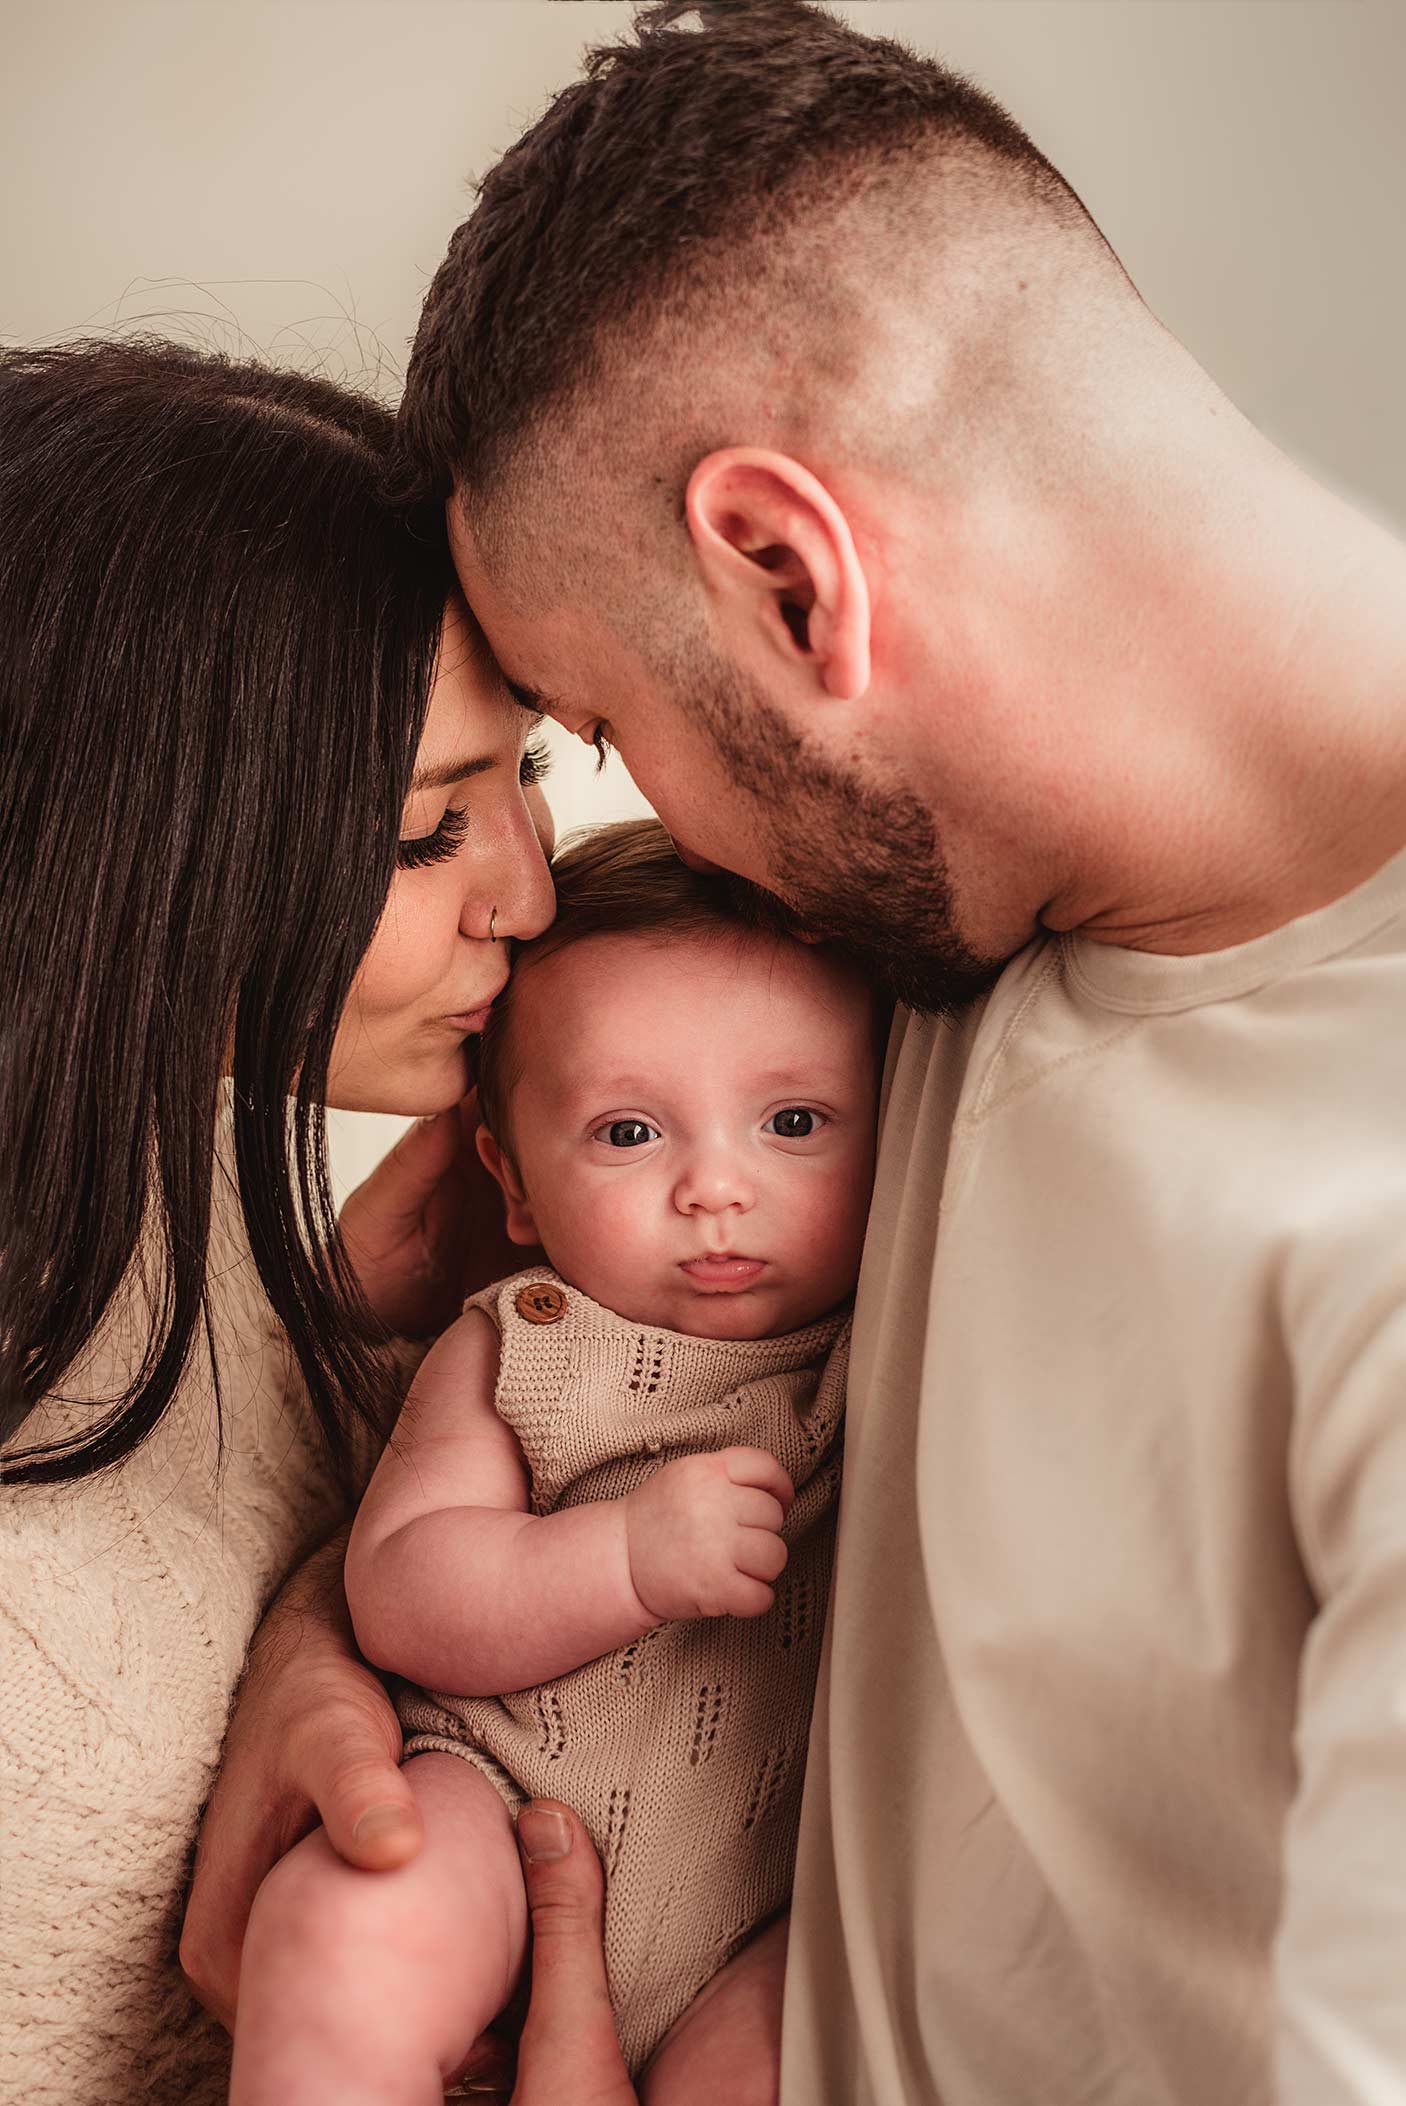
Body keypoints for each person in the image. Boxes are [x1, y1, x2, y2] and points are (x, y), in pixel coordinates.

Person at [392, 1, 1406, 2100]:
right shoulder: (915, 938)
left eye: (602, 732)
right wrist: (337, 1682)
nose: (603, 837)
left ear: (787, 579)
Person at [0, 337, 571, 2105]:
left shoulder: (182, 1184)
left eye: (529, 773)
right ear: (134, 841)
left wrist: (357, 1517)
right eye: (429, 832)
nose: (531, 892)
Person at [227, 817, 876, 2102]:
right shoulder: (520, 1341)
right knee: (338, 1934)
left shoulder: (884, 1350)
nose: (712, 1188)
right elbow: (403, 1592)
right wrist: (626, 1556)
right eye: (630, 1133)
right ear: (511, 1185)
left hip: (771, 1904)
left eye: (790, 1120)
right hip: (501, 1802)